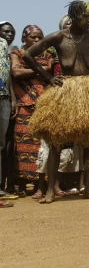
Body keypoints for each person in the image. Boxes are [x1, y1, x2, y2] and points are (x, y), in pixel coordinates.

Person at [24, 0, 89, 203]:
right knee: (55, 143)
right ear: (74, 16)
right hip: (65, 90)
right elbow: (28, 55)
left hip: (88, 90)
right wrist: (48, 77)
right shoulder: (59, 37)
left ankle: (87, 188)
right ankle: (51, 190)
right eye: (85, 17)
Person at [9, 25, 53, 198]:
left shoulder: (48, 55)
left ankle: (39, 185)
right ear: (24, 39)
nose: (36, 40)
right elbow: (16, 72)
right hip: (23, 104)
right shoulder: (17, 54)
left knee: (41, 146)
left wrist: (31, 71)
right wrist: (42, 71)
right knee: (22, 145)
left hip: (43, 105)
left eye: (39, 37)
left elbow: (50, 74)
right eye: (33, 37)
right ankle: (21, 185)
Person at [0, 25, 18, 203]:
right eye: (5, 31)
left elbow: (8, 78)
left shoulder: (7, 52)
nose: (9, 34)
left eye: (12, 31)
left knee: (2, 144)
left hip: (4, 98)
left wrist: (13, 99)